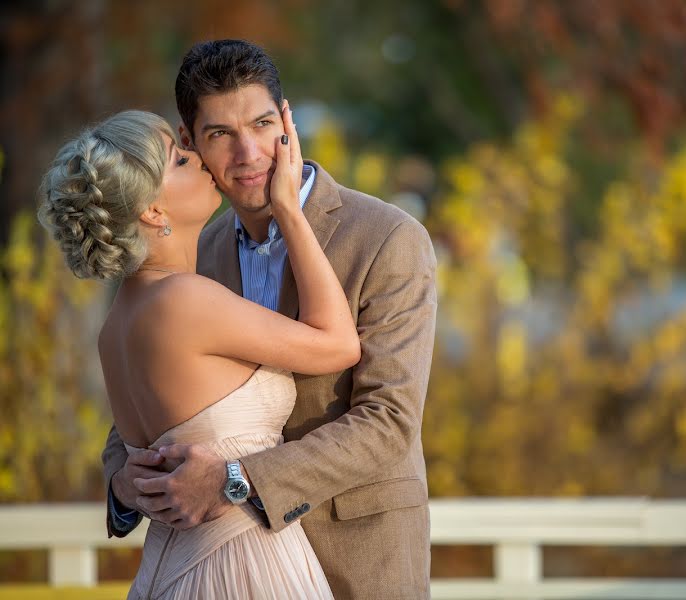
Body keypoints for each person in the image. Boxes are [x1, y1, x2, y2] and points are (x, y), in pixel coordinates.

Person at [101, 40, 437, 598]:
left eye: (260, 124)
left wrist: (236, 481)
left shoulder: (387, 239)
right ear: (189, 143)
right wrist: (121, 479)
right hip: (224, 566)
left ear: (286, 120)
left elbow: (388, 421)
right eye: (220, 135)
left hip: (358, 562)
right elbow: (153, 388)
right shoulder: (194, 249)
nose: (249, 152)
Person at [39, 106, 347, 597]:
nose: (199, 156)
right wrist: (288, 208)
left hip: (172, 570)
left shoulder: (115, 324)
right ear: (152, 211)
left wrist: (121, 487)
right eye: (179, 160)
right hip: (243, 571)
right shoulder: (185, 300)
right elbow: (337, 344)